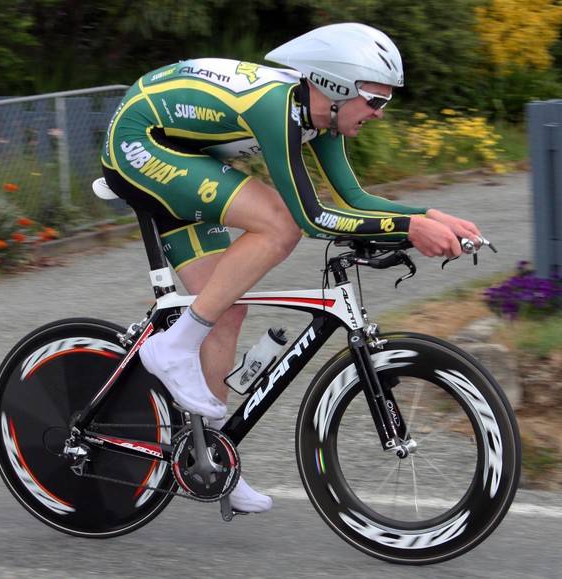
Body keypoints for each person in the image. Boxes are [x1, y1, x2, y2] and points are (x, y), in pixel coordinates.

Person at [101, 22, 483, 514]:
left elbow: (355, 198)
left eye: (385, 102)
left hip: (185, 152)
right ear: (337, 87)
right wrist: (410, 228)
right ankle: (173, 345)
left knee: (226, 309)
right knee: (280, 224)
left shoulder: (319, 118)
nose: (378, 113)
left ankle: (210, 460)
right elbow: (312, 217)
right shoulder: (276, 109)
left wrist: (430, 218)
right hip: (140, 144)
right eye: (374, 100)